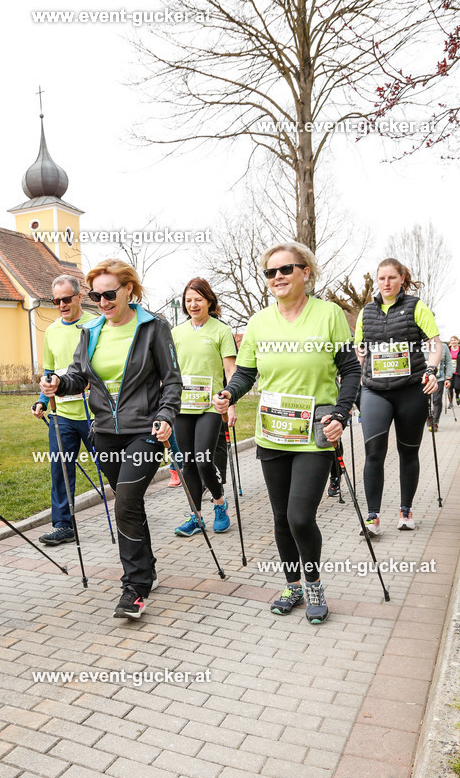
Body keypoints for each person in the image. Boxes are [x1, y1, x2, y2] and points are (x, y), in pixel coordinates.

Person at [213, 242, 360, 624]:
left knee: (299, 516)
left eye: (286, 269)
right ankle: (292, 584)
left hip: (316, 430)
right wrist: (230, 392)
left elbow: (351, 371)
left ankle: (313, 583)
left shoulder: (329, 315)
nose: (277, 277)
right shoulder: (259, 322)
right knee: (280, 518)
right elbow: (246, 372)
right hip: (273, 431)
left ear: (305, 273)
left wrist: (342, 414)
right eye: (270, 272)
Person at [40, 258, 181, 620]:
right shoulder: (90, 331)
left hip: (144, 431)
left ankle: (134, 588)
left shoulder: (154, 328)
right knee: (130, 505)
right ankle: (146, 565)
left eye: (108, 293)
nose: (101, 301)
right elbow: (77, 377)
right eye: (95, 294)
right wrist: (58, 383)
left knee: (125, 504)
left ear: (129, 290)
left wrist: (165, 416)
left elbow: (173, 382)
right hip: (104, 434)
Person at [354, 258, 440, 535]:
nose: (386, 283)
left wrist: (431, 370)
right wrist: (363, 360)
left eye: (391, 278)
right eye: (381, 279)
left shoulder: (416, 307)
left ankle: (405, 510)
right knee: (374, 452)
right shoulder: (366, 311)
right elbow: (359, 348)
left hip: (410, 390)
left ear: (402, 278)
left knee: (408, 451)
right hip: (375, 391)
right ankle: (372, 517)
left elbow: (435, 346)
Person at [32, 275, 96, 545]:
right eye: (56, 300)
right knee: (60, 470)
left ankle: (128, 513)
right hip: (62, 415)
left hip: (94, 413)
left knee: (112, 465)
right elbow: (49, 371)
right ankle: (63, 525)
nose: (61, 305)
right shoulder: (52, 331)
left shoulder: (95, 325)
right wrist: (42, 400)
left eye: (66, 299)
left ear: (79, 297)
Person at [171, 278, 237, 536]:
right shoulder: (176, 333)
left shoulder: (221, 330)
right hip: (183, 406)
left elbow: (231, 370)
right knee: (187, 461)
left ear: (209, 301)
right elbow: (170, 371)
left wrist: (230, 402)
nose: (193, 304)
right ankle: (196, 517)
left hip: (211, 405)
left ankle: (219, 503)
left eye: (198, 299)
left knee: (202, 458)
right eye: (188, 300)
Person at [426, 340, 453, 431]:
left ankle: (435, 422)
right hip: (424, 379)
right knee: (423, 401)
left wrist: (448, 377)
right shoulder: (419, 346)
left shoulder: (443, 346)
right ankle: (428, 415)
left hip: (439, 378)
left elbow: (449, 362)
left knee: (436, 400)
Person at [449, 336, 460, 407]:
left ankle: (457, 395)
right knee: (450, 387)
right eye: (452, 340)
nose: (453, 341)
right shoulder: (448, 349)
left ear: (458, 341)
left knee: (457, 387)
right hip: (449, 371)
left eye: (455, 340)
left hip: (458, 371)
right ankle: (450, 402)